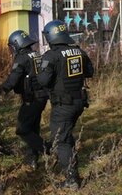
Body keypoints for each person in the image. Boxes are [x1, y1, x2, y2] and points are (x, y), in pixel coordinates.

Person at [37, 20, 93, 189]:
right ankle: (71, 165)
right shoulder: (78, 51)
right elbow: (90, 72)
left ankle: (72, 179)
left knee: (59, 140)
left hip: (63, 105)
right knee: (66, 135)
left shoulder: (50, 56)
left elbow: (43, 80)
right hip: (79, 102)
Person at [0, 30, 48, 169]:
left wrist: (2, 89)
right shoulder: (36, 54)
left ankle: (49, 150)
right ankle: (32, 158)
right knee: (33, 128)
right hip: (41, 96)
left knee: (22, 129)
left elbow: (14, 77)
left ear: (16, 44)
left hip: (31, 98)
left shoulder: (22, 58)